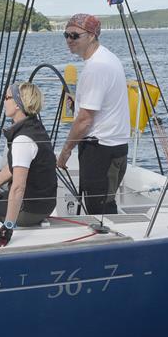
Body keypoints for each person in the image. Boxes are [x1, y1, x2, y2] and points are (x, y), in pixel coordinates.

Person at [55, 13, 130, 215]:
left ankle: (113, 243)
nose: (69, 40)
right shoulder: (108, 57)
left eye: (74, 35)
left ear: (91, 36)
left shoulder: (96, 67)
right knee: (102, 205)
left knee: (100, 210)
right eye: (66, 35)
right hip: (115, 146)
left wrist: (65, 151)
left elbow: (85, 119)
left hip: (101, 149)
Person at [0, 82, 57, 247]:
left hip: (31, 210)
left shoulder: (23, 139)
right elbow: (15, 166)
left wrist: (7, 228)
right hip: (44, 204)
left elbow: (18, 187)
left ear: (16, 104)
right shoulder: (35, 127)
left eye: (6, 97)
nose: (4, 101)